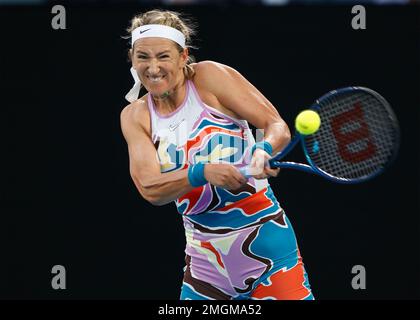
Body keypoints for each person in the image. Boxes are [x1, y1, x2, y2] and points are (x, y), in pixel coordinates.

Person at [120, 9, 314, 300]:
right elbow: (149, 187)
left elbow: (276, 126)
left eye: (163, 56)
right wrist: (203, 172)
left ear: (183, 56)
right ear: (132, 59)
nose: (153, 67)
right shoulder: (135, 116)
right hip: (205, 269)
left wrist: (262, 150)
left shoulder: (210, 77)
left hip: (270, 254)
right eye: (143, 57)